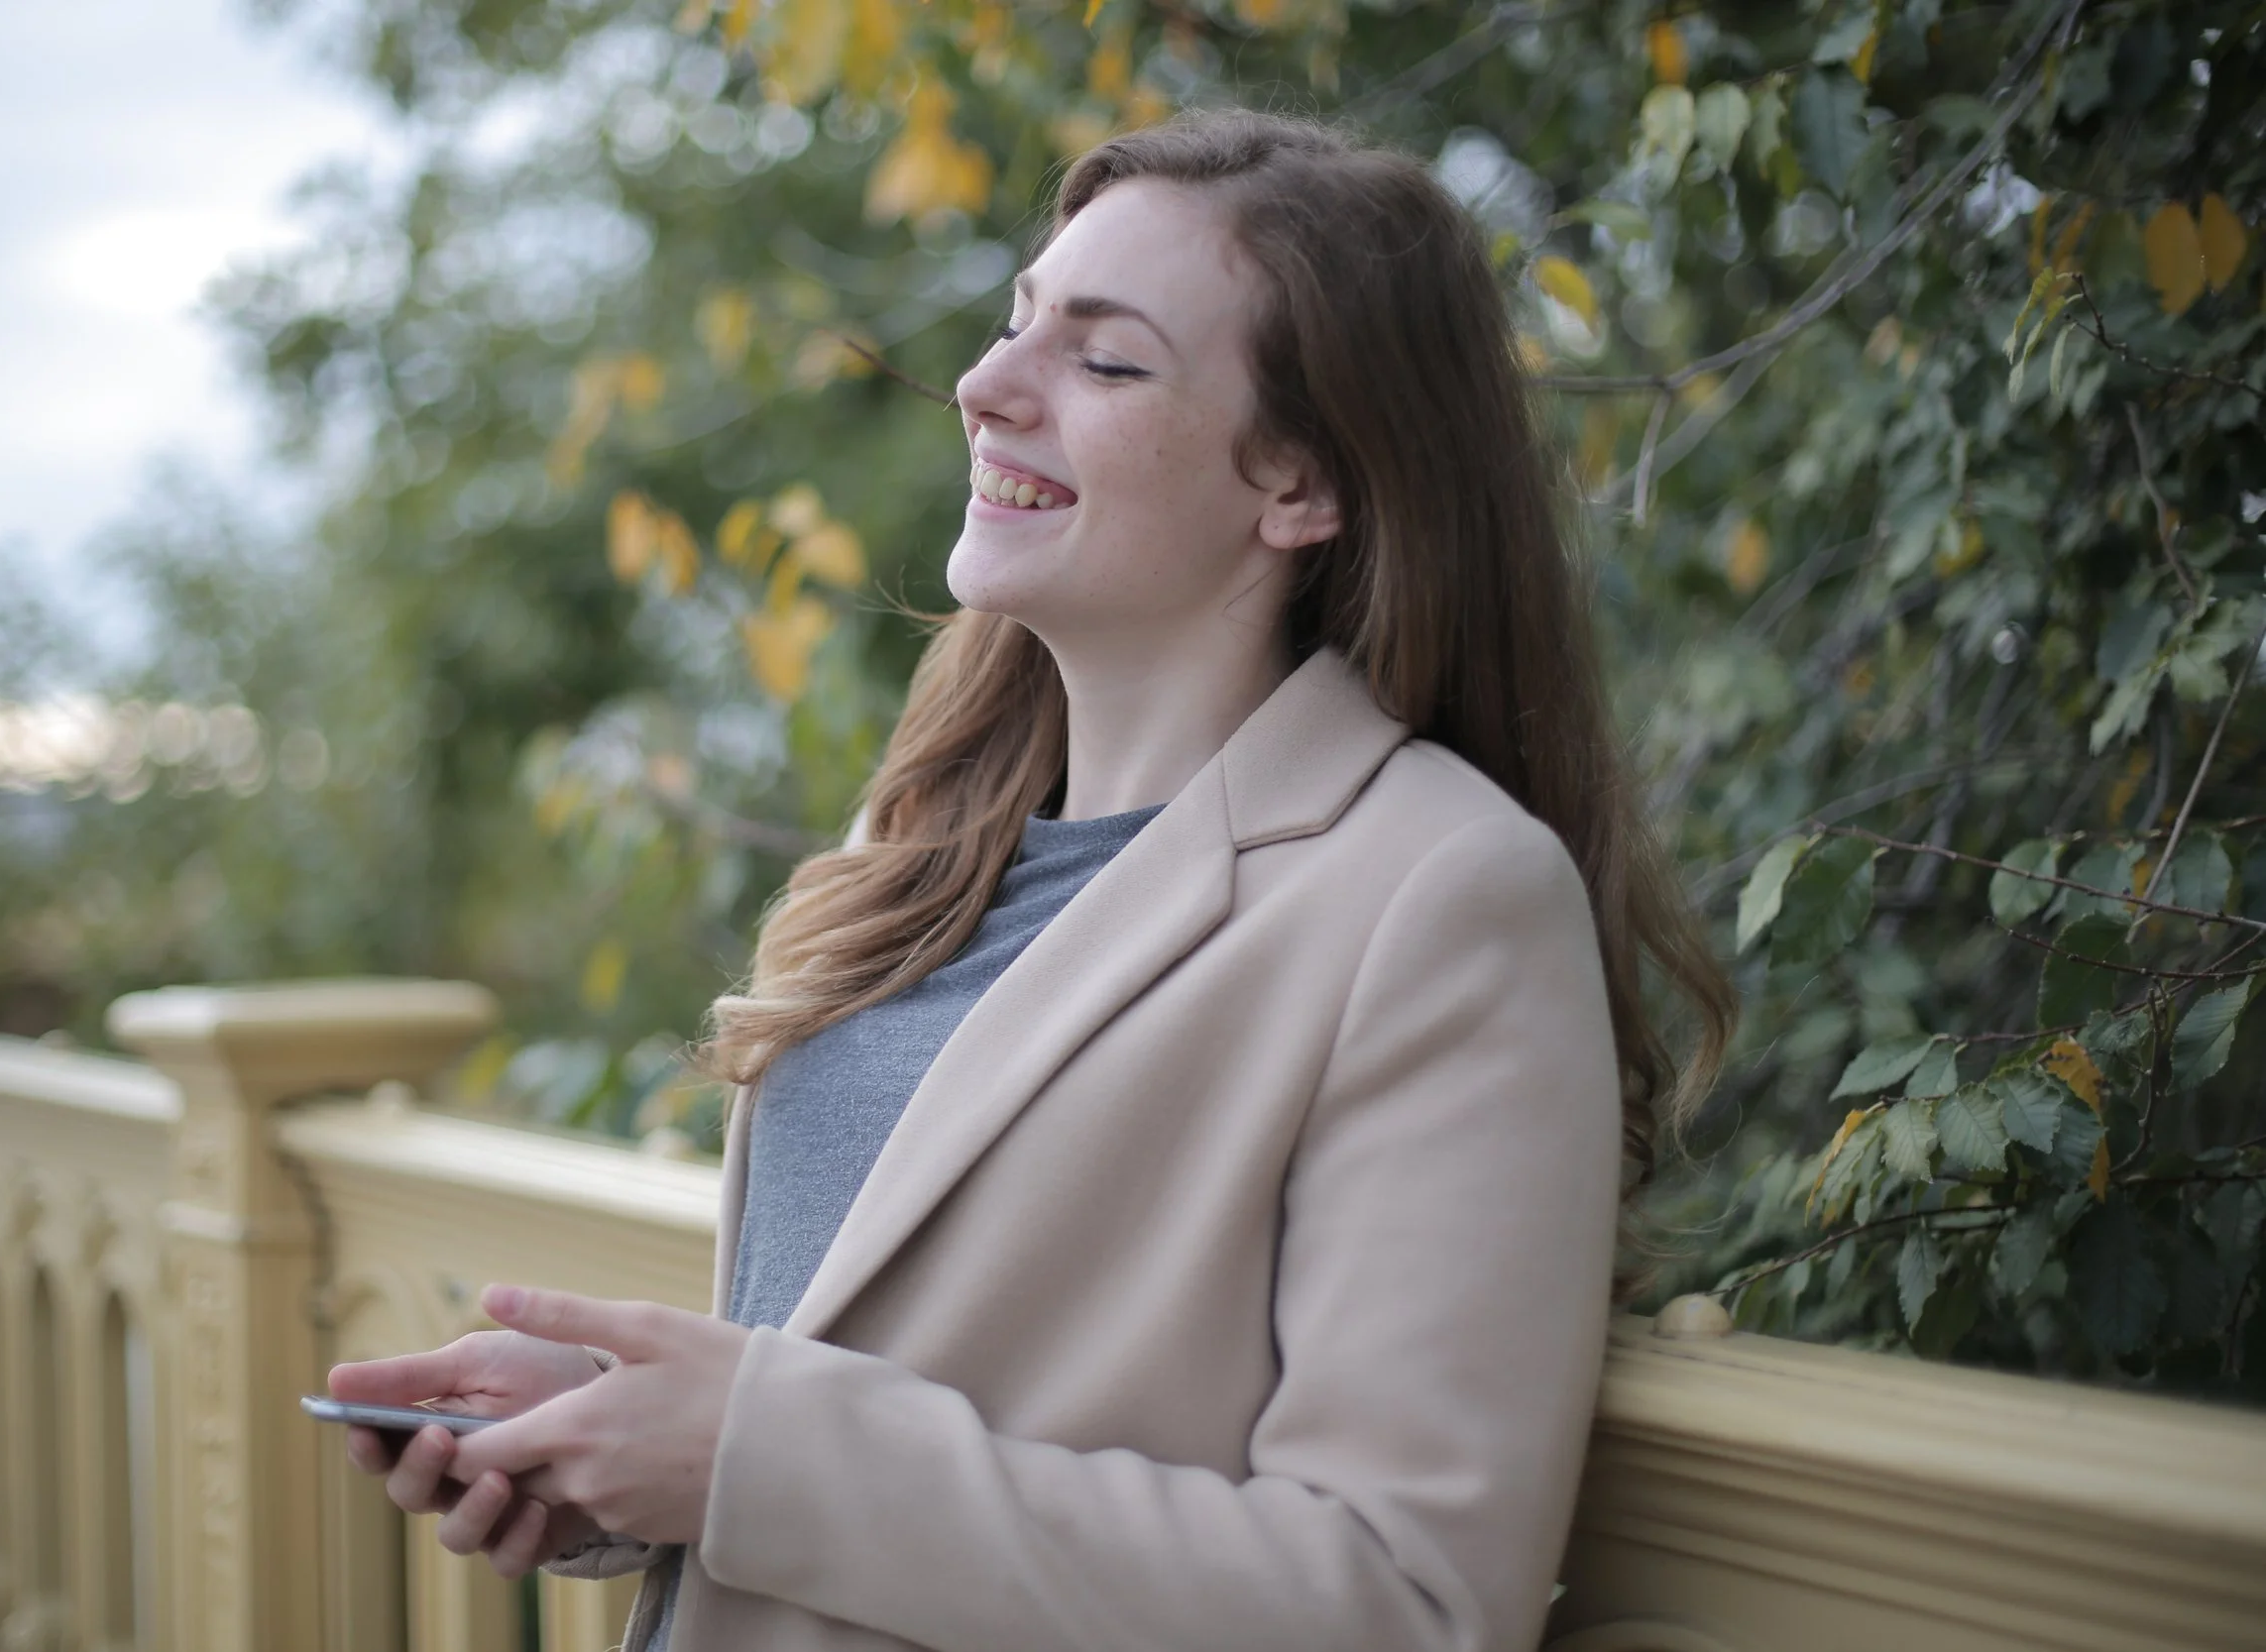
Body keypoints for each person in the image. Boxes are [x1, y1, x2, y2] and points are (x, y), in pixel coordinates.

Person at [328, 108, 1732, 1652]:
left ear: (1301, 483)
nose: (988, 390)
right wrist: (620, 1451)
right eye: (1014, 325)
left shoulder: (1445, 895)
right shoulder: (917, 837)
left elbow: (1395, 1600)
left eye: (1105, 359)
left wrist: (751, 1454)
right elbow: (890, 1370)